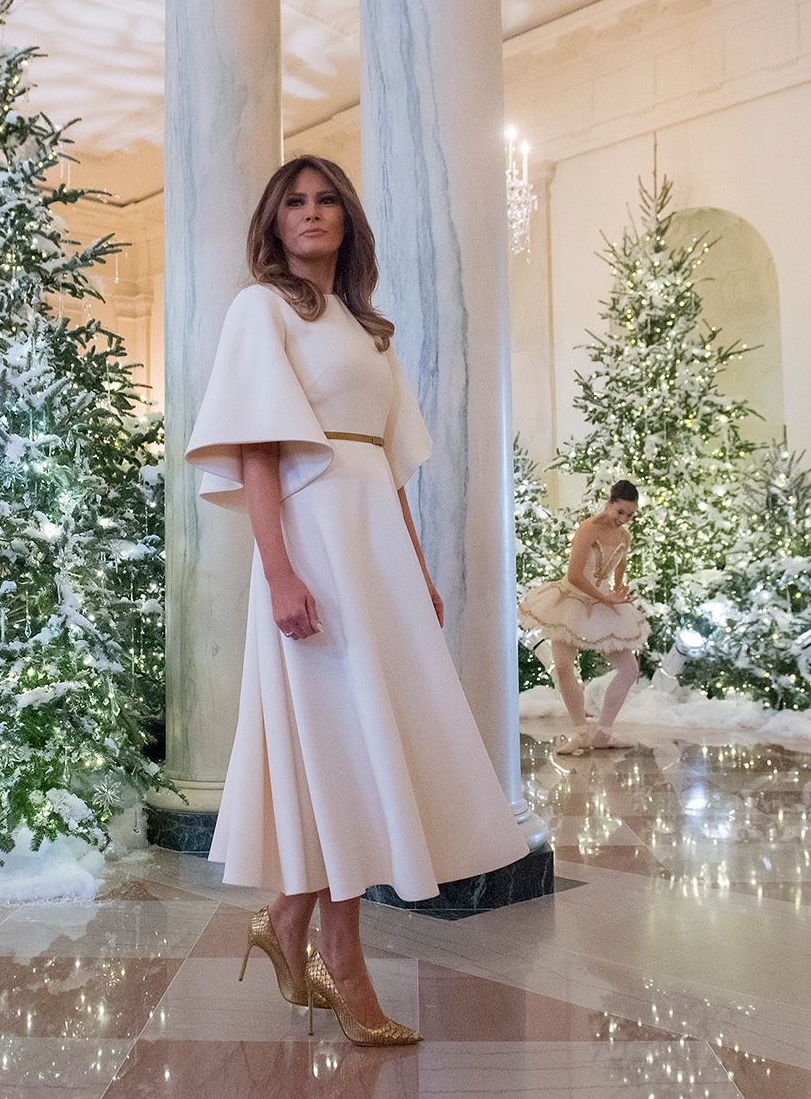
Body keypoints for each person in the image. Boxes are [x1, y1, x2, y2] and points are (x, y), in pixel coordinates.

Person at [184, 154, 528, 1047]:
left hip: (373, 549)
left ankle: (288, 920)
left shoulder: (369, 329)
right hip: (312, 543)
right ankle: (344, 961)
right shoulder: (260, 308)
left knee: (368, 745)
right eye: (294, 202)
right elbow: (258, 449)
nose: (311, 213)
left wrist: (414, 571)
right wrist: (281, 571)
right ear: (273, 220)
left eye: (326, 199)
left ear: (348, 219)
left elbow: (391, 468)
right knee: (336, 746)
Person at [518, 482, 650, 754]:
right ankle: (581, 732)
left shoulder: (624, 536)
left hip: (603, 603)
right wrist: (605, 598)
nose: (624, 520)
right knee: (564, 667)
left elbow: (619, 566)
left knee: (629, 670)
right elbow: (575, 576)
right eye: (621, 512)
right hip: (571, 601)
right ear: (609, 501)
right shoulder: (588, 529)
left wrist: (618, 589)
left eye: (630, 515)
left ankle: (604, 732)